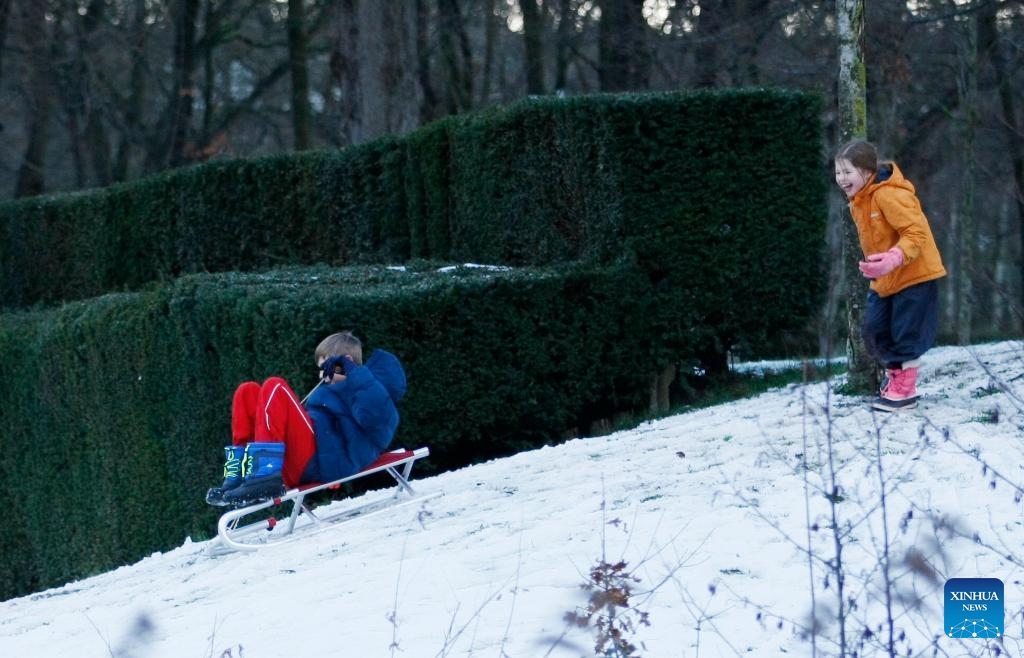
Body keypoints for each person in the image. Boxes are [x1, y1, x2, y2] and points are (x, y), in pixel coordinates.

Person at [206, 331, 407, 506]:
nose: (322, 376)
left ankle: (264, 474)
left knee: (275, 386)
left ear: (346, 362)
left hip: (322, 462)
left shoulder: (376, 395)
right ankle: (237, 474)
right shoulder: (331, 392)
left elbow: (374, 418)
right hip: (305, 459)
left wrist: (354, 374)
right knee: (247, 391)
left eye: (326, 368)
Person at [834, 139, 947, 412]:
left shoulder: (890, 194)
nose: (841, 179)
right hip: (885, 278)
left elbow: (916, 233)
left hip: (915, 273)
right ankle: (895, 379)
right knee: (874, 330)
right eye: (837, 172)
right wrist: (880, 265)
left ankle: (904, 391)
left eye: (847, 172)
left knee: (905, 333)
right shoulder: (858, 202)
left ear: (866, 171)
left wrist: (894, 257)